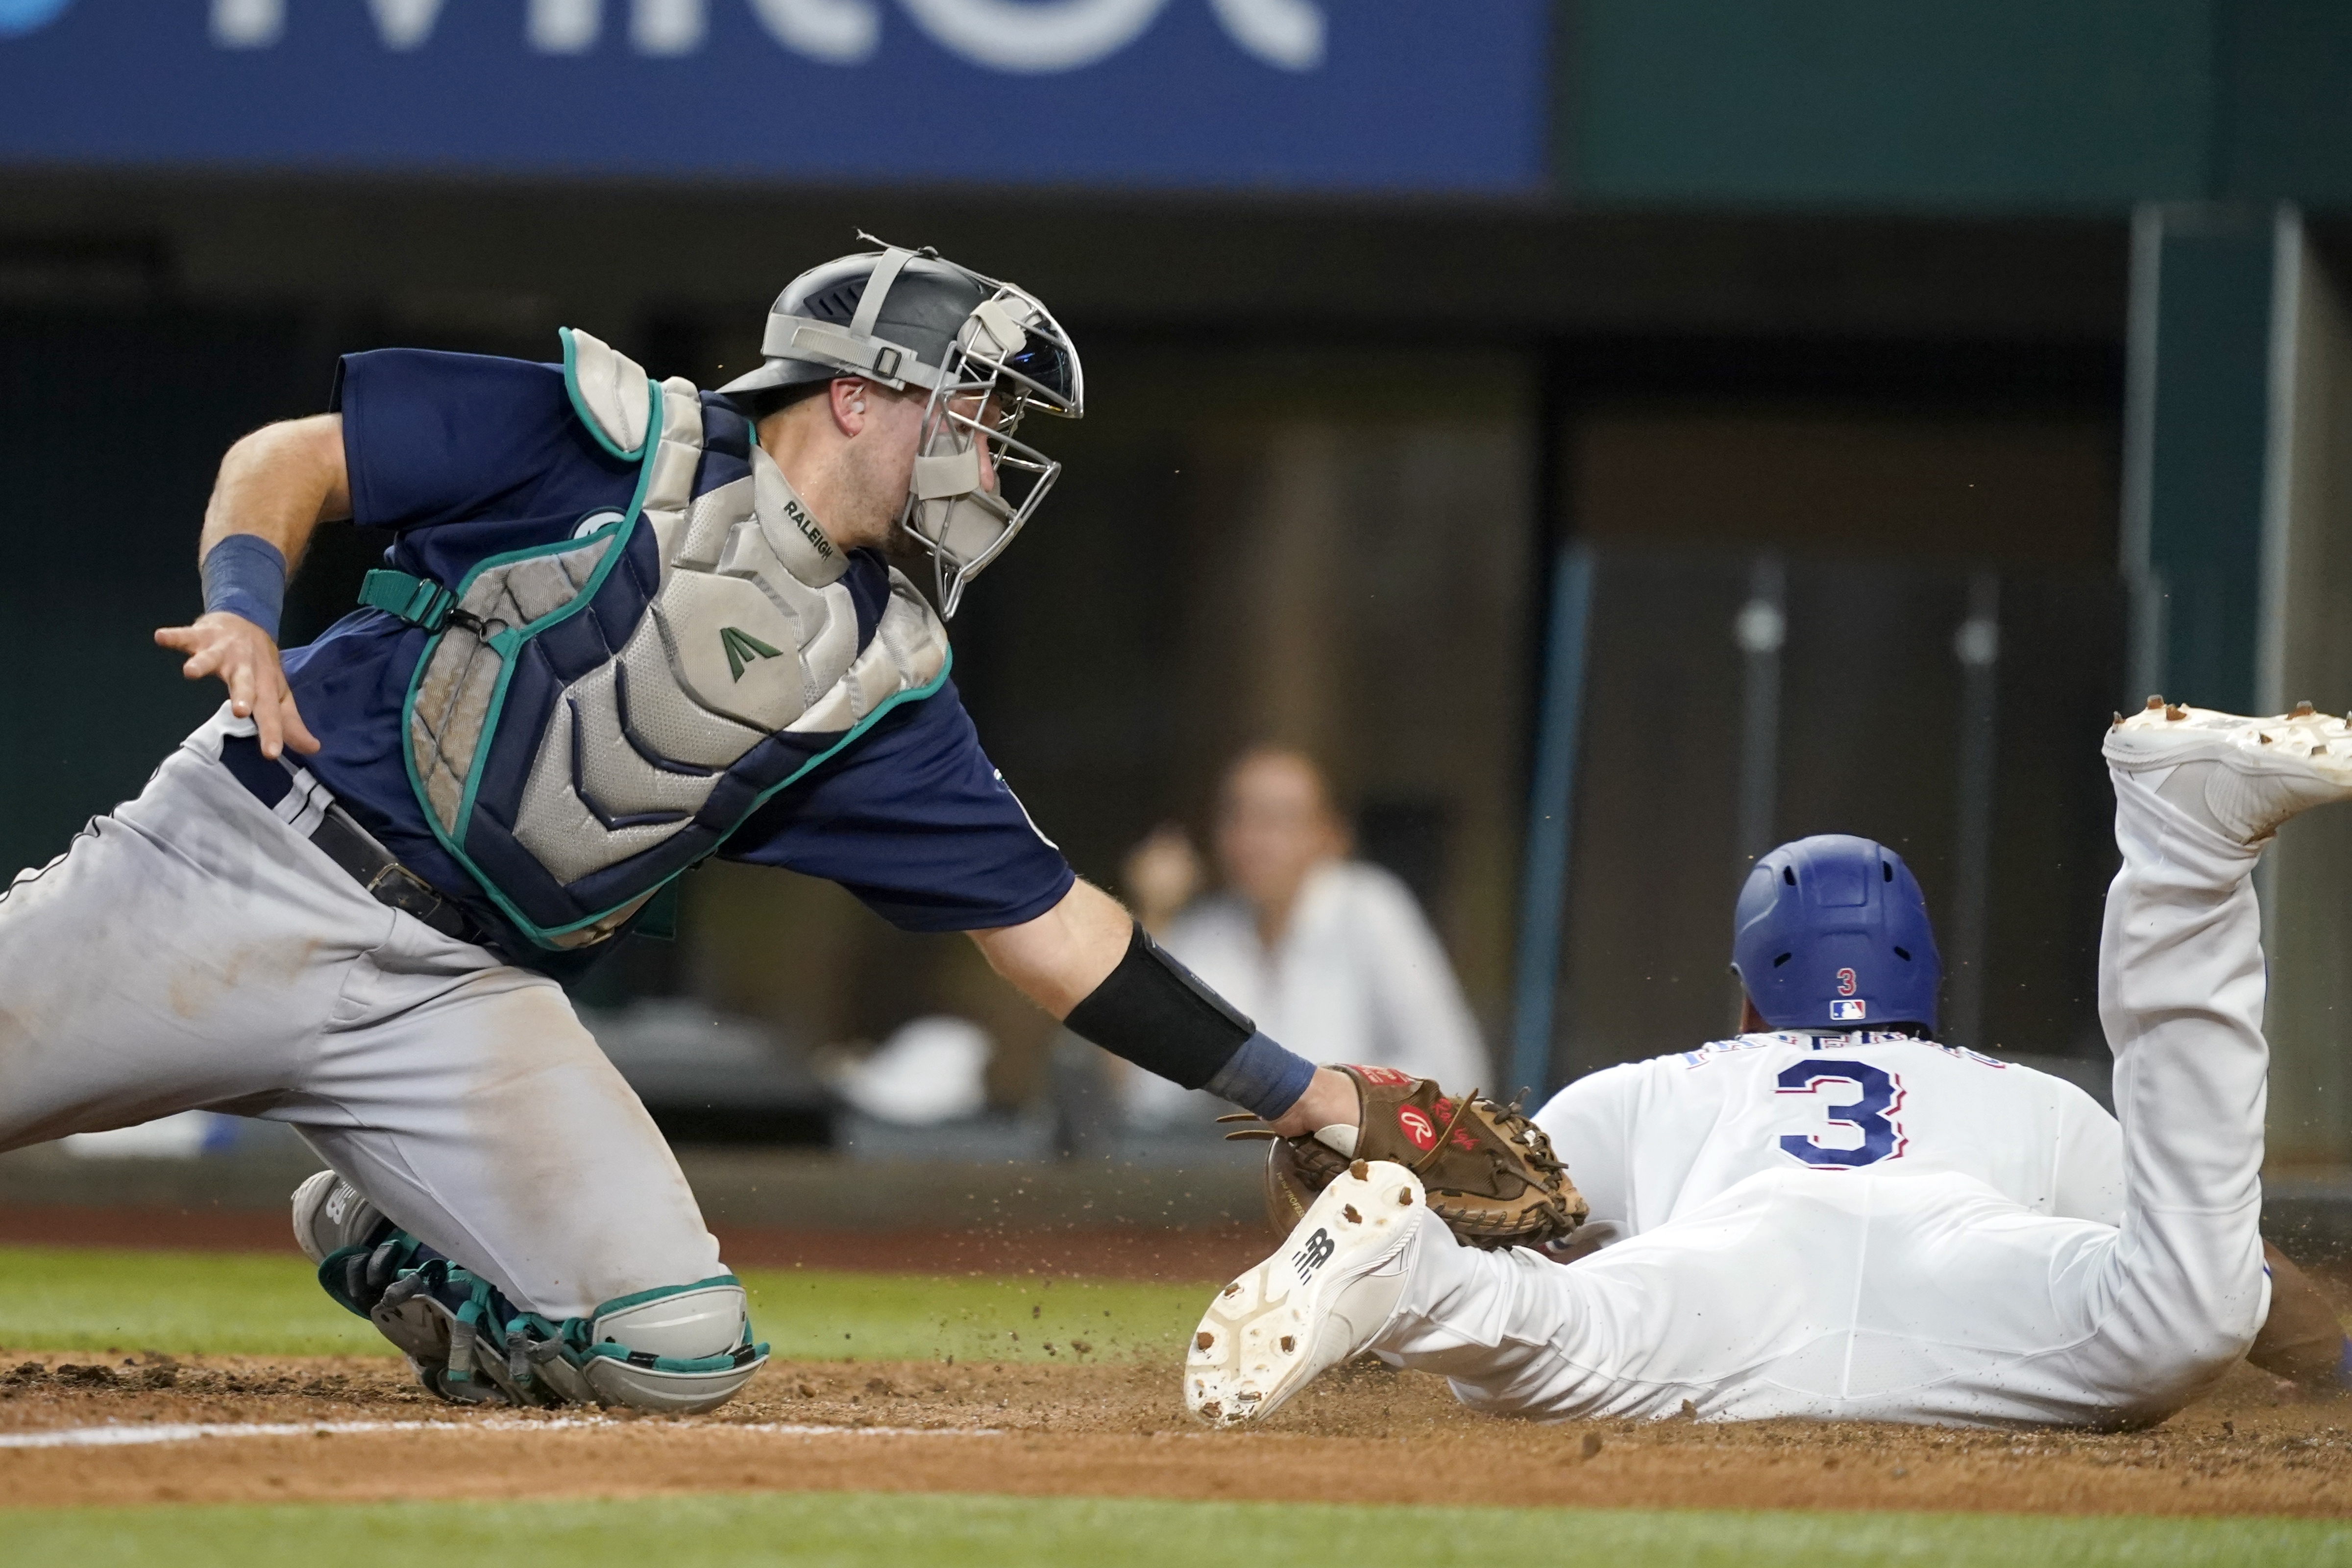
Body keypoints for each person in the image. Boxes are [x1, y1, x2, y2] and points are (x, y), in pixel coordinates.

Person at [0, 240, 1364, 1414]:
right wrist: (244, 601)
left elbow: (1059, 938)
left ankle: (400, 1230)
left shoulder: (876, 671)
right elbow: (288, 458)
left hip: (453, 995)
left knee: (677, 1350)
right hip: (246, 865)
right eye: (973, 407)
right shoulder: (612, 435)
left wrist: (1311, 1096)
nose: (992, 450)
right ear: (855, 391)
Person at [1188, 699, 2352, 1428]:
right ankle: (2184, 860)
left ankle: (1407, 1280)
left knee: (1536, 1330)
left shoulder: (1657, 1085)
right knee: (2184, 1300)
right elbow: (2234, 1276)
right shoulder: (2027, 1103)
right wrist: (2338, 1358)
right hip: (1981, 1285)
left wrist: (1352, 1140)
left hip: (1728, 1282)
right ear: (1924, 983)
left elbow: (1502, 1183)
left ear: (1747, 992)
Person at [1121, 748, 1488, 1129]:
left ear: (1330, 835)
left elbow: (1455, 1072)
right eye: (1236, 817)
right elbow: (1145, 1095)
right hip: (1228, 1170)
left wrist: (1327, 1099)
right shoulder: (1206, 929)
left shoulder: (1370, 907)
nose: (1251, 839)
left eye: (1275, 820)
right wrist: (1155, 917)